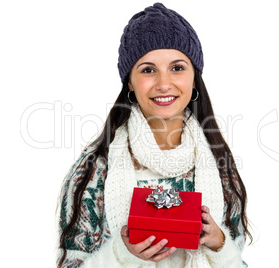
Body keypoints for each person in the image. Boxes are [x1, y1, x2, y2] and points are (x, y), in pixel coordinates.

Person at [57, 3, 252, 267]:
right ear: (130, 81)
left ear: (195, 78)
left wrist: (220, 246)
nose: (163, 83)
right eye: (148, 69)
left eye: (177, 67)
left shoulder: (220, 165)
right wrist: (122, 255)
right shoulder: (94, 168)